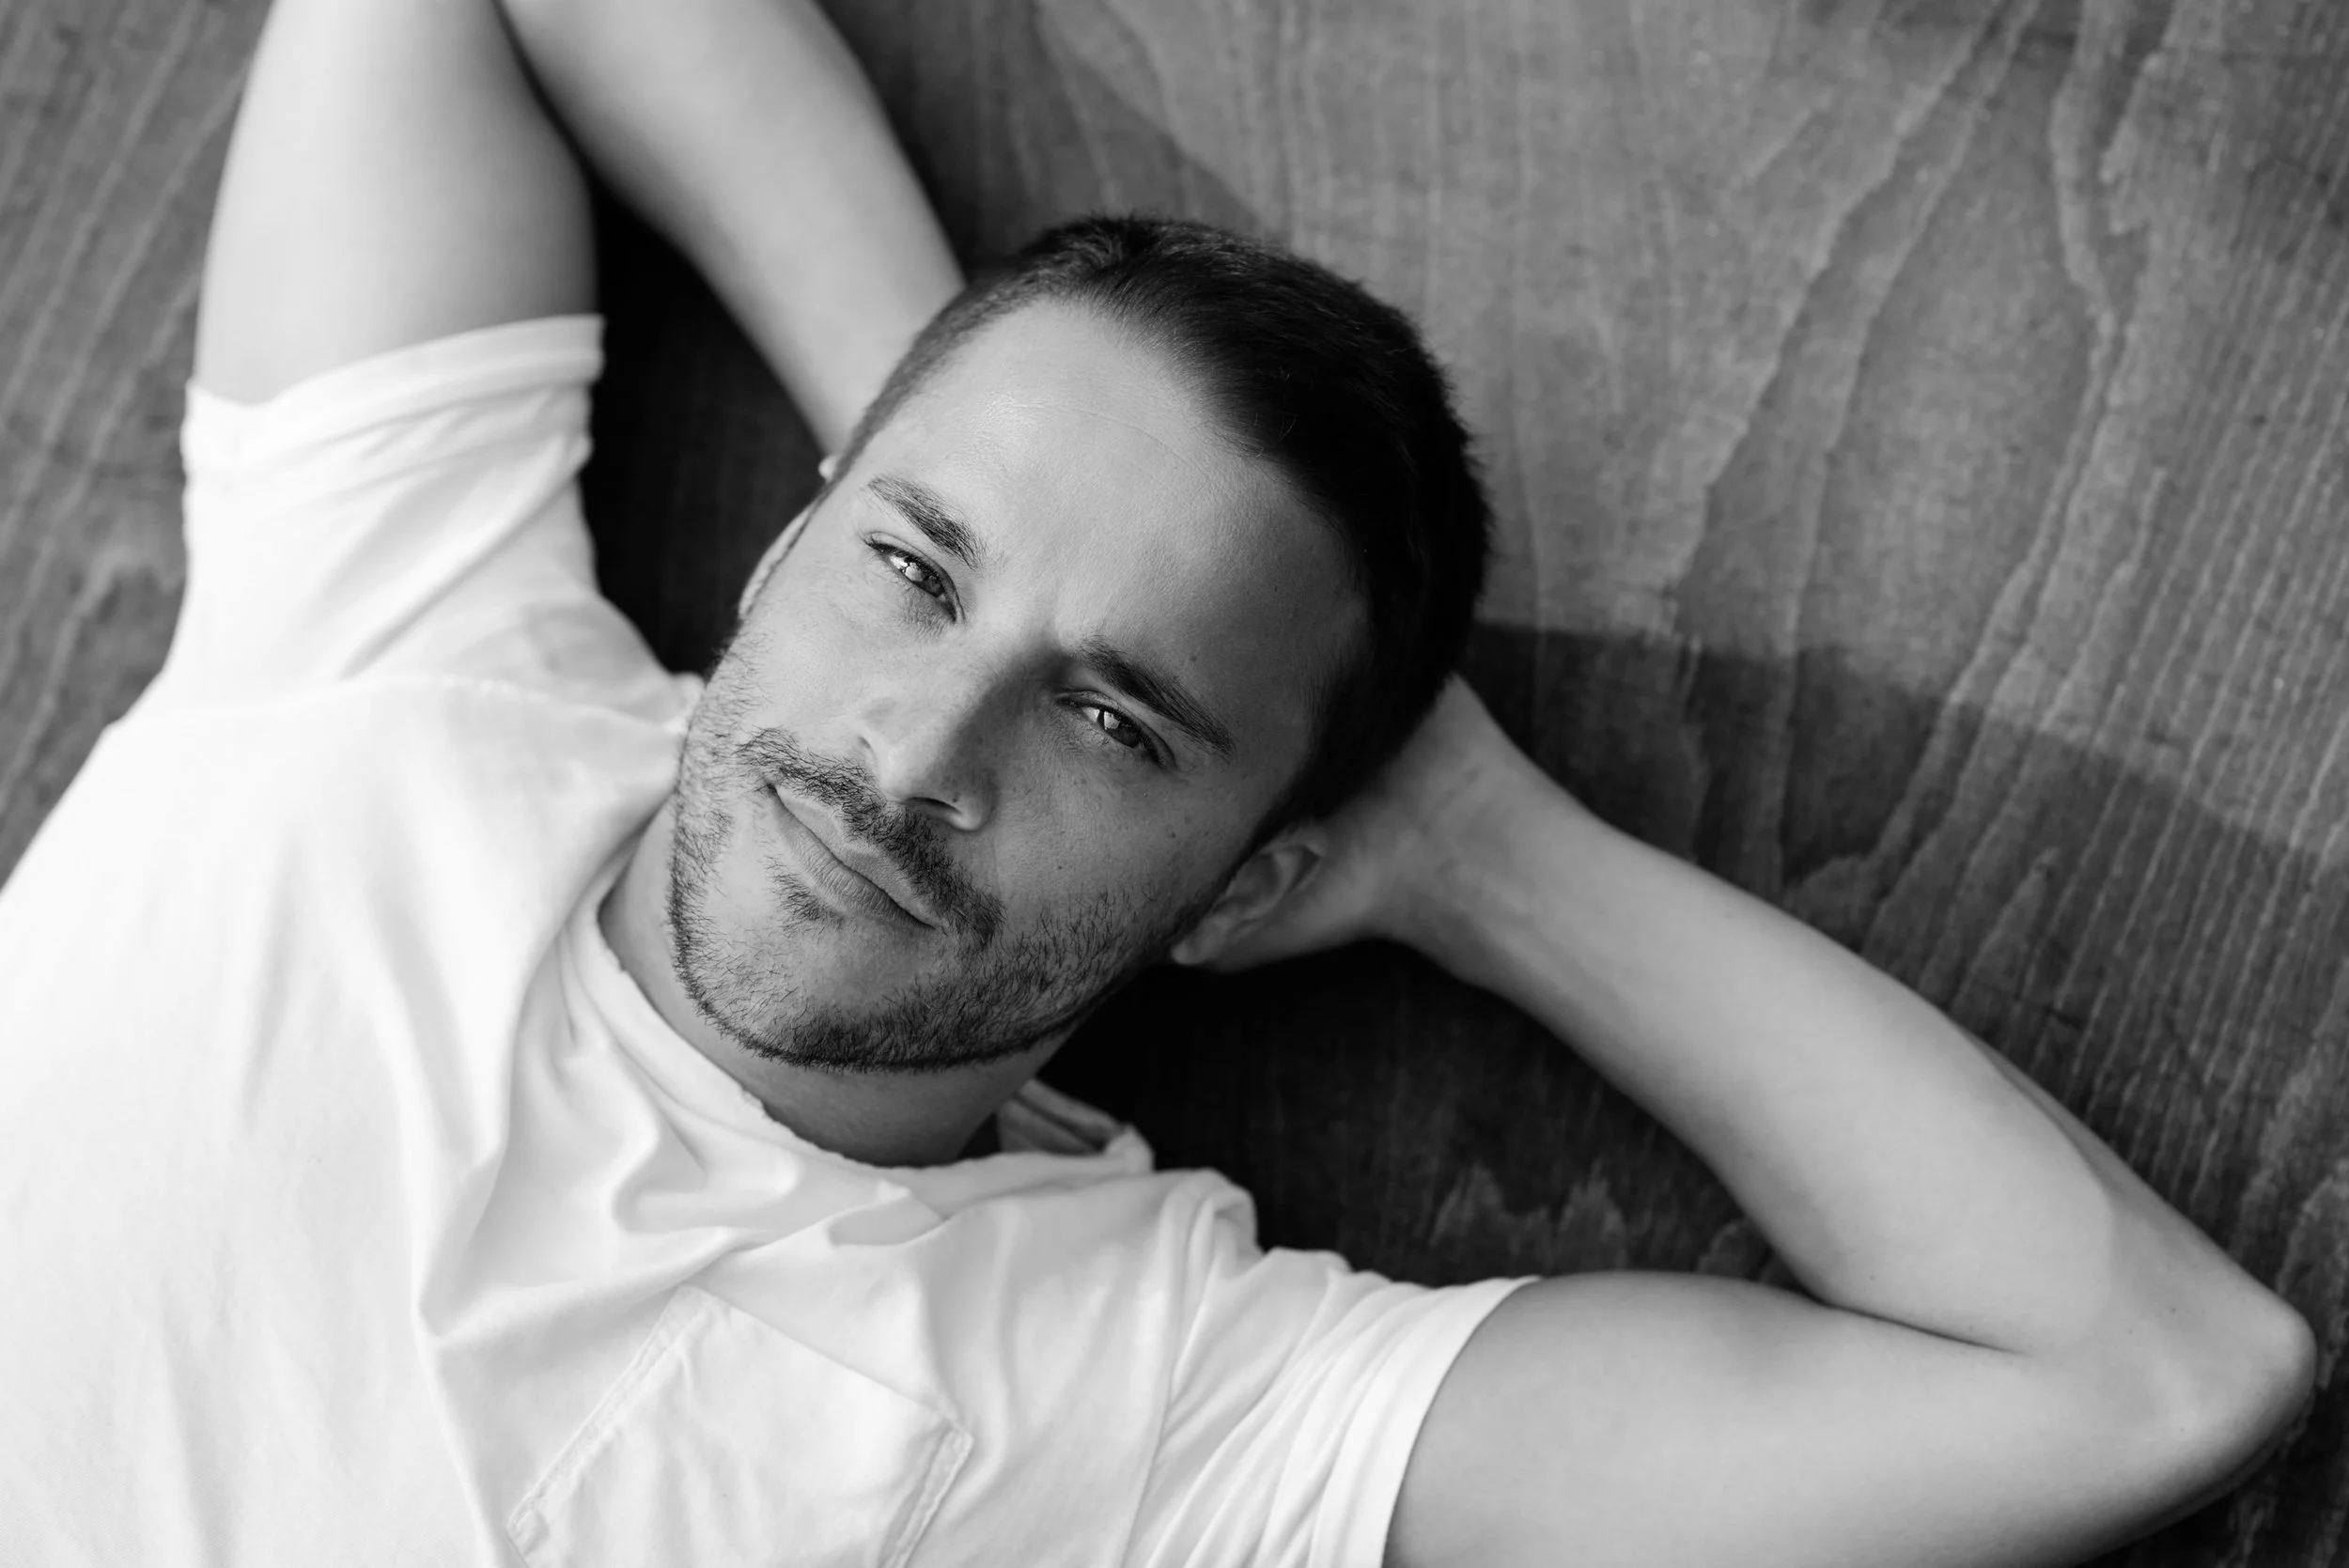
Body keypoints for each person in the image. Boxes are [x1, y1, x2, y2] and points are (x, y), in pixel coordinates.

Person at [0, 0, 2313, 1561]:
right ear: (795, 540)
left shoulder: (1150, 1404)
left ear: (1248, 880)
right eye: (906, 574)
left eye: (1113, 722)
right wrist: (970, 404)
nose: (913, 759)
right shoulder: (384, 644)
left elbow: (2142, 1374)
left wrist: (1483, 854)